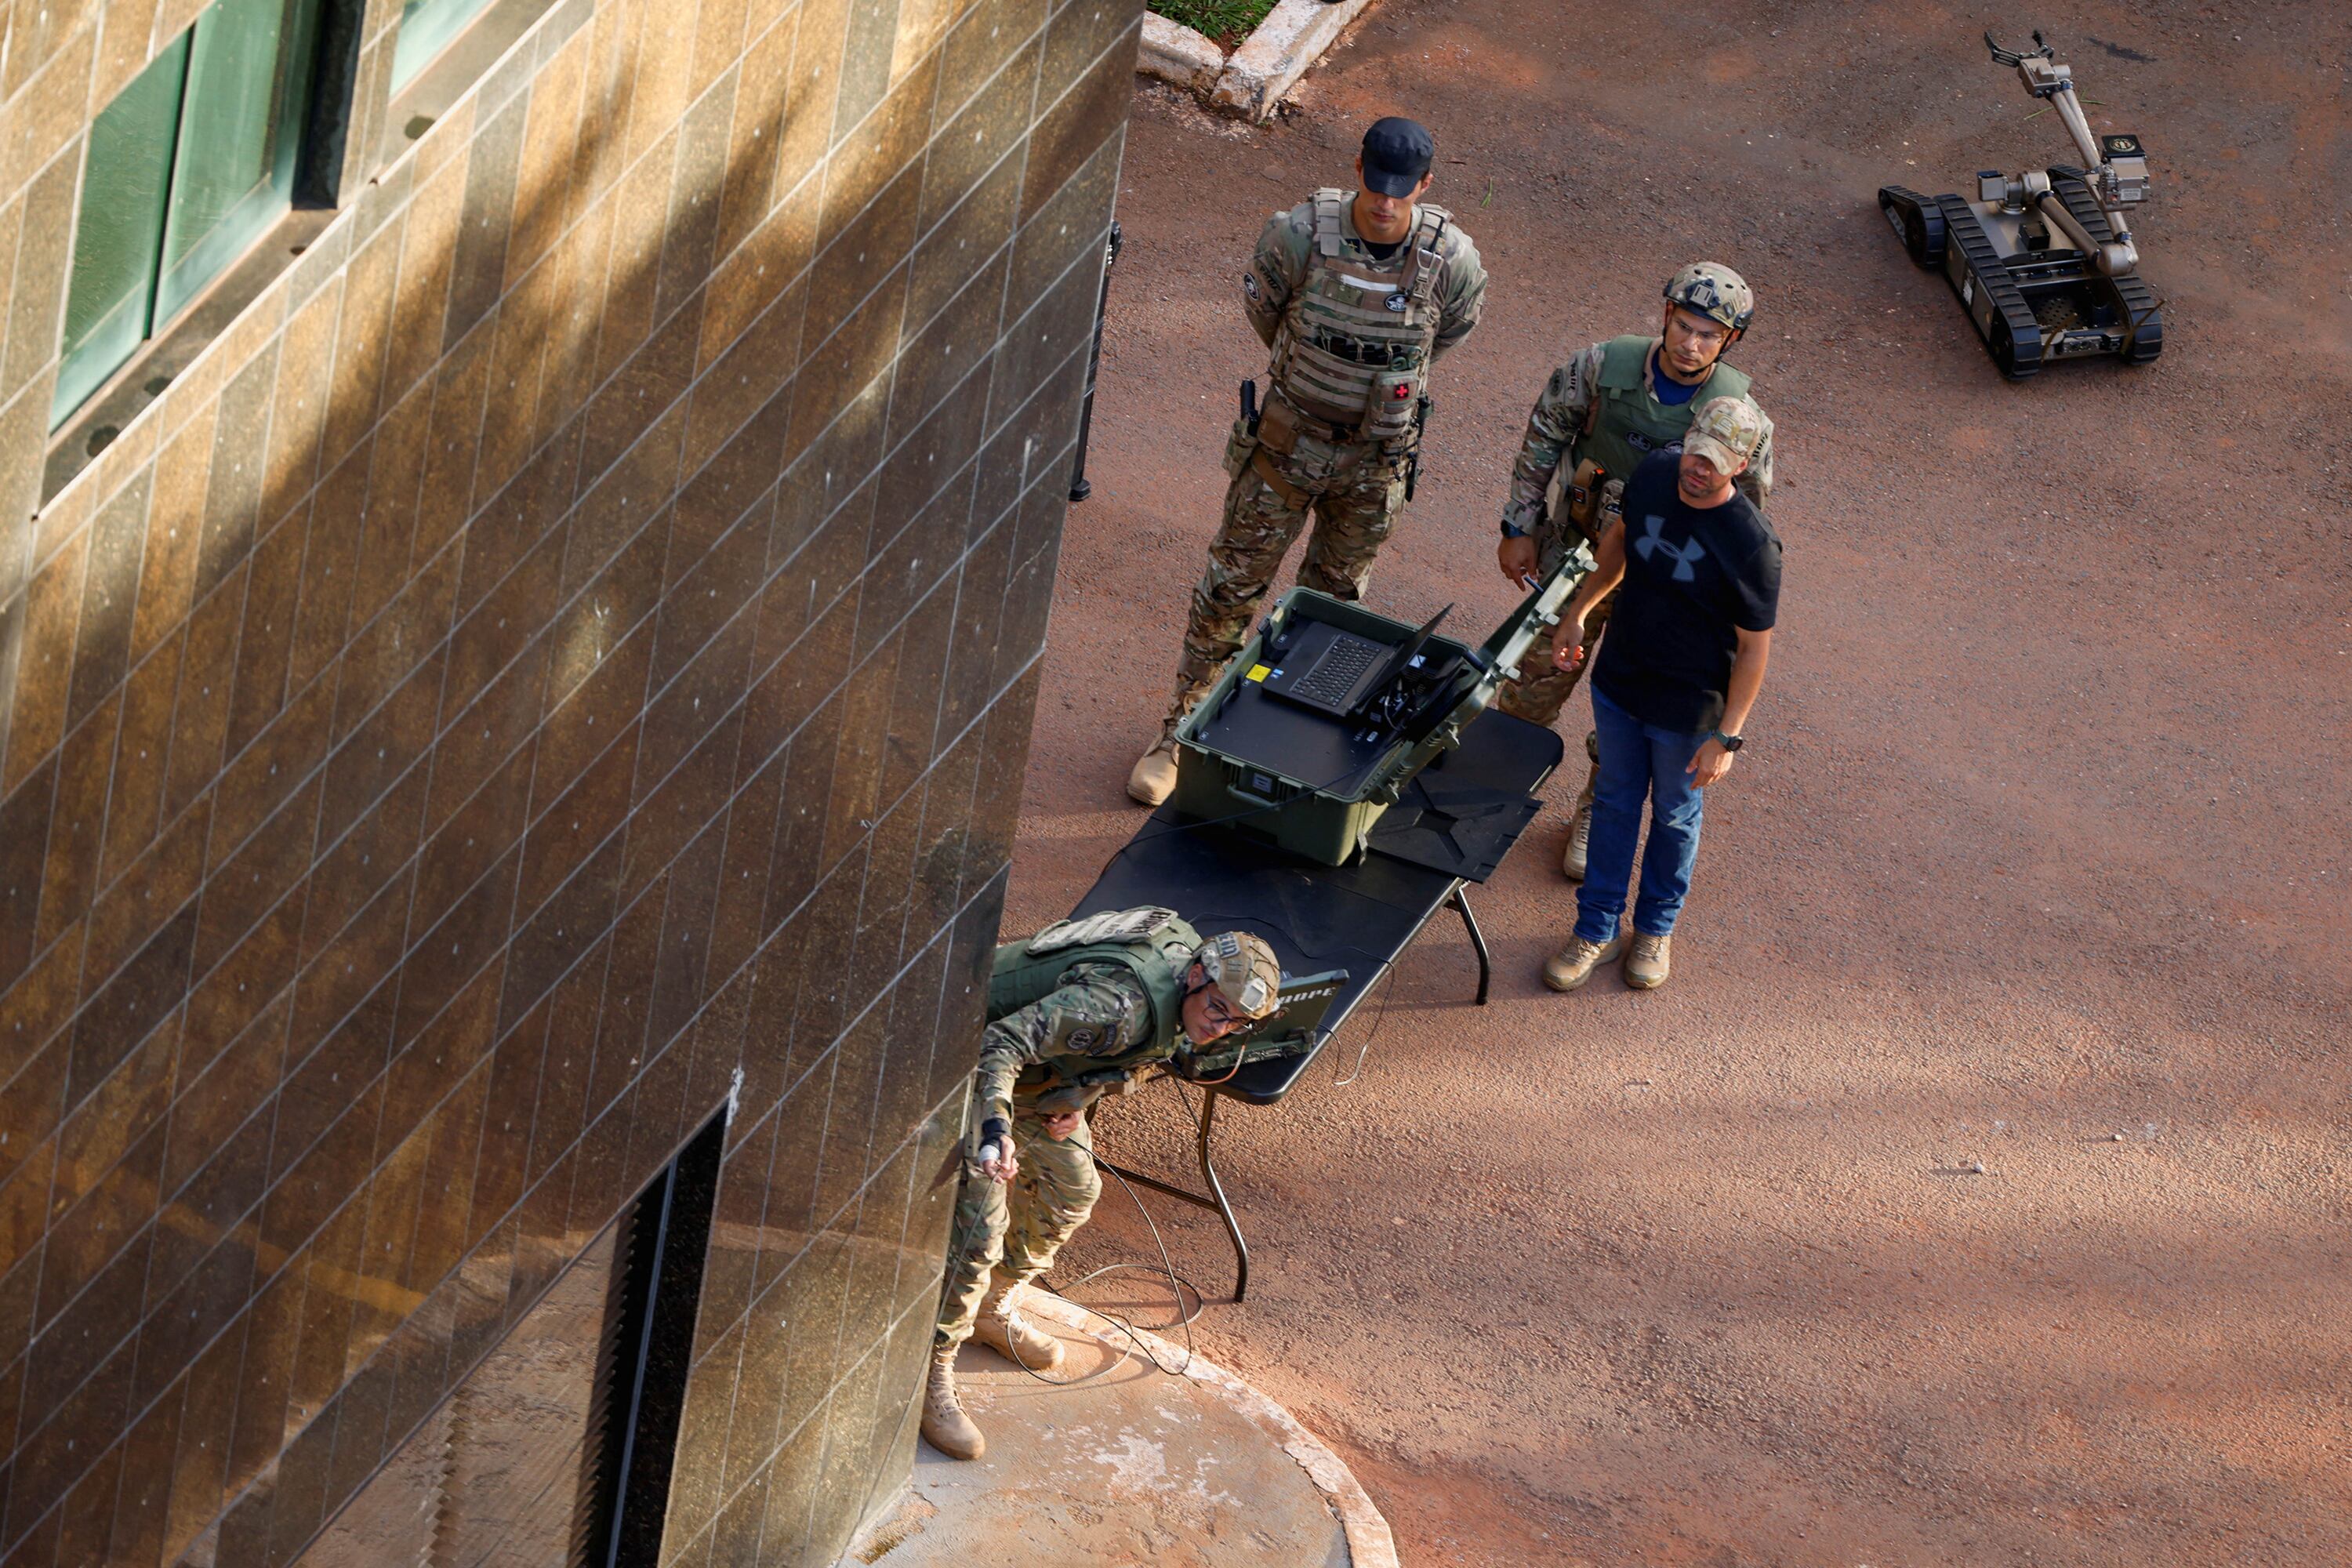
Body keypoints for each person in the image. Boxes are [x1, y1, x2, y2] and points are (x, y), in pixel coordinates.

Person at [1127, 115, 1487, 806]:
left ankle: (1282, 744)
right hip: (1287, 448)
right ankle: (1179, 735)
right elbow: (1267, 315)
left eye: (1401, 191)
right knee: (1230, 590)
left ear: (1425, 185)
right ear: (1357, 170)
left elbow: (1447, 335)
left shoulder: (1453, 261)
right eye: (1376, 186)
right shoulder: (1298, 236)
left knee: (1335, 615)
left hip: (1374, 466)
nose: (1385, 203)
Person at [921, 909, 1282, 1460]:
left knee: (1073, 1191)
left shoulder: (1184, 996)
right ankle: (931, 1367)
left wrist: (1080, 1098)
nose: (1220, 1028)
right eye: (1217, 1010)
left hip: (1035, 1087)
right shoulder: (1120, 1006)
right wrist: (996, 1131)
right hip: (963, 1060)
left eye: (1237, 1023)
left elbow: (1131, 1057)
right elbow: (1000, 1043)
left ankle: (991, 1308)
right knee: (981, 1230)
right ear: (1195, 976)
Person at [1492, 263, 1776, 880]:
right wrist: (1519, 525)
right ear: (1666, 315)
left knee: (1631, 703)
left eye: (1708, 335)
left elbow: (1744, 514)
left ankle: (1596, 808)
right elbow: (1544, 434)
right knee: (1531, 679)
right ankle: (1492, 784)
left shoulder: (1738, 418)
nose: (1691, 344)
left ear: (1729, 341)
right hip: (1573, 553)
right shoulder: (1602, 367)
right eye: (1684, 326)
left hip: (1660, 584)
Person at [1538, 396, 1780, 993]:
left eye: (1716, 462)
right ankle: (1595, 929)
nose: (1698, 469)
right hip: (1620, 683)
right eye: (1696, 453)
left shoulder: (1751, 546)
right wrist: (1579, 613)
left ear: (1742, 464)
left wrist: (1727, 736)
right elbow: (1620, 540)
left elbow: (1754, 649)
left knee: (1674, 817)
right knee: (1614, 803)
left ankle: (1654, 930)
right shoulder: (1652, 475)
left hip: (1689, 711)